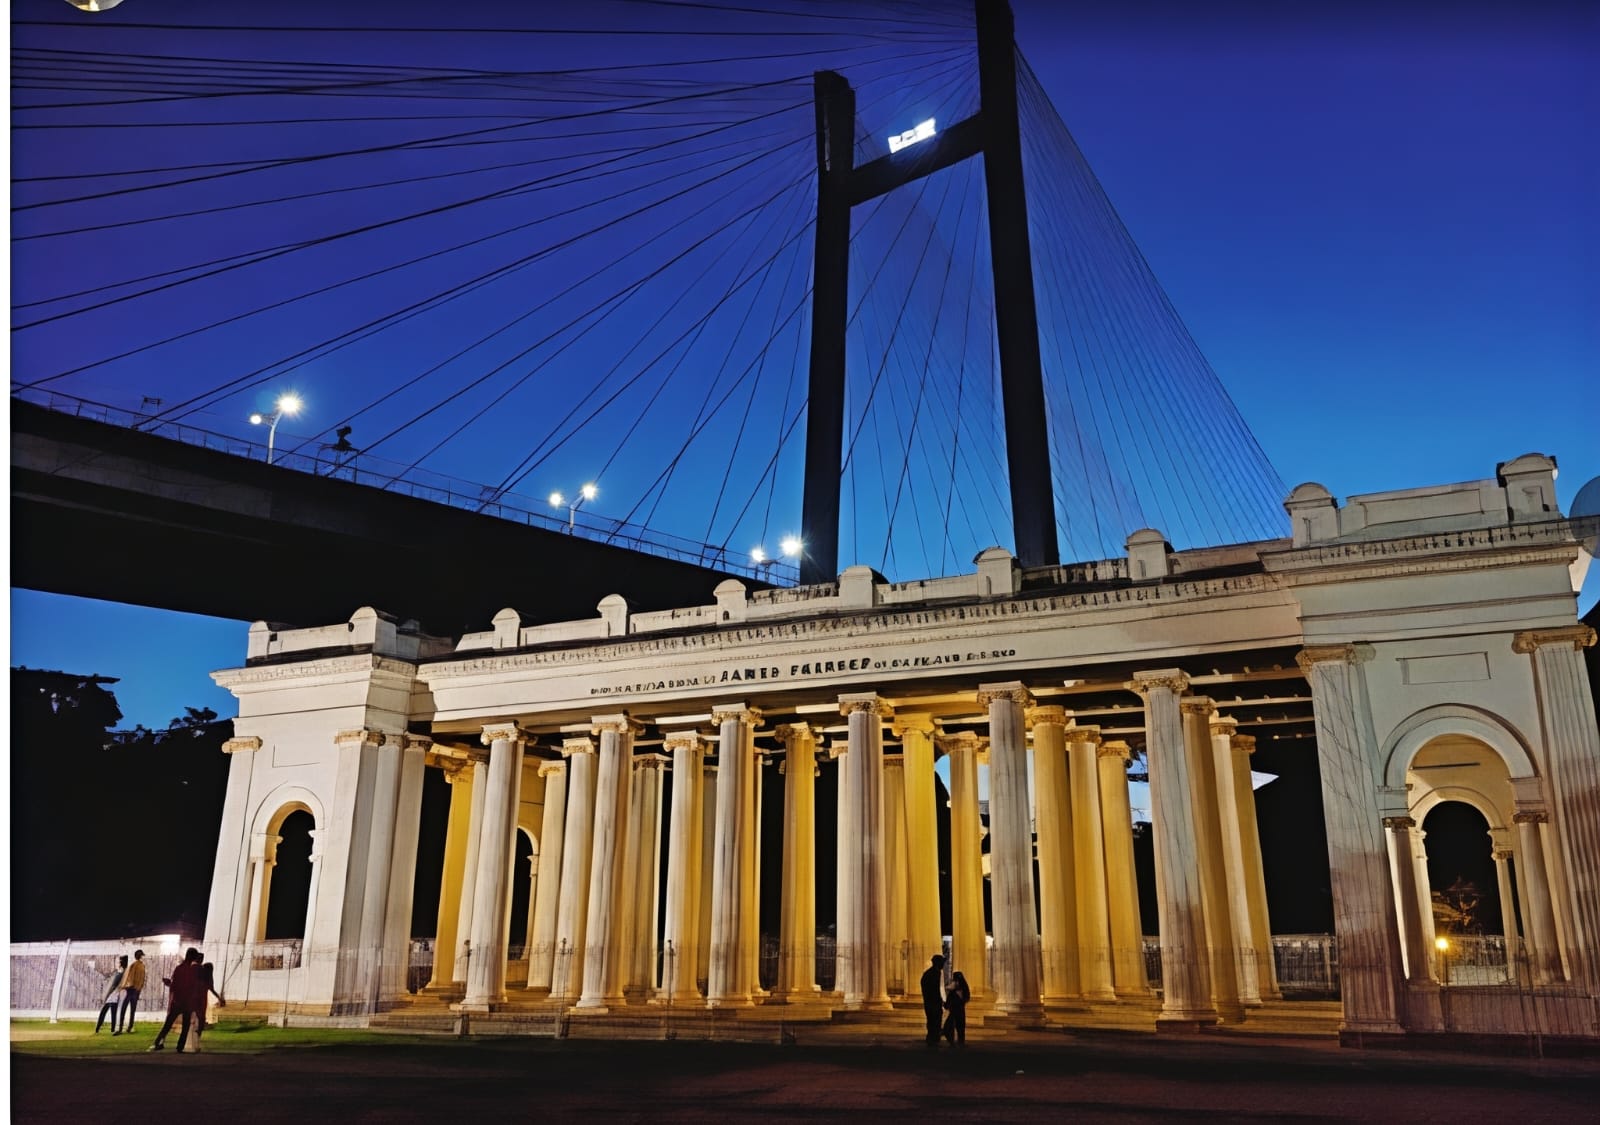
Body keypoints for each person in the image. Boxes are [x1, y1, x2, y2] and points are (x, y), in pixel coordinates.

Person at [149, 948, 203, 1053]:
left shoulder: (179, 969)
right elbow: (193, 987)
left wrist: (169, 984)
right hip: (187, 1002)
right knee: (185, 1026)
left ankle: (157, 1042)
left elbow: (174, 985)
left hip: (178, 1001)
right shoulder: (192, 971)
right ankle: (180, 1047)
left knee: (168, 1024)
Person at [186, 962, 225, 1053]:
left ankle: (195, 1042)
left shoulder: (201, 978)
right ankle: (196, 1041)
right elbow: (211, 989)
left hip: (197, 1000)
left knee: (197, 1020)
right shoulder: (206, 979)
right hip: (201, 1001)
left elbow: (210, 988)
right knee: (200, 1020)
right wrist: (219, 998)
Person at [94, 956, 127, 1034]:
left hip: (113, 995)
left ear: (121, 963)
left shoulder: (120, 973)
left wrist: (107, 995)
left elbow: (113, 986)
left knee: (106, 1012)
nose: (116, 964)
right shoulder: (120, 972)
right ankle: (108, 1029)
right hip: (114, 995)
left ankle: (99, 1028)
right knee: (111, 1012)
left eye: (118, 962)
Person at [118, 949, 148, 1034]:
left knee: (124, 1008)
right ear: (140, 956)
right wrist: (139, 988)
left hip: (131, 989)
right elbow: (142, 979)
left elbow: (130, 978)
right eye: (142, 955)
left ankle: (121, 1028)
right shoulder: (142, 966)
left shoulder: (134, 965)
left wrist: (125, 987)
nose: (143, 957)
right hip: (136, 990)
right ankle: (130, 1027)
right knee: (132, 1010)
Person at [919, 954, 946, 1046]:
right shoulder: (933, 973)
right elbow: (933, 990)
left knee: (933, 1020)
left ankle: (933, 1037)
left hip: (931, 1002)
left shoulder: (933, 973)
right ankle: (933, 1038)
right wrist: (937, 1000)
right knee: (933, 1020)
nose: (943, 965)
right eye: (942, 962)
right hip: (932, 1002)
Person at [942, 970, 971, 1046]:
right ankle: (956, 1042)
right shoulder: (958, 990)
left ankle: (956, 1042)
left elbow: (947, 1005)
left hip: (956, 1012)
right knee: (955, 1028)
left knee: (955, 1028)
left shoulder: (955, 991)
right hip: (958, 1012)